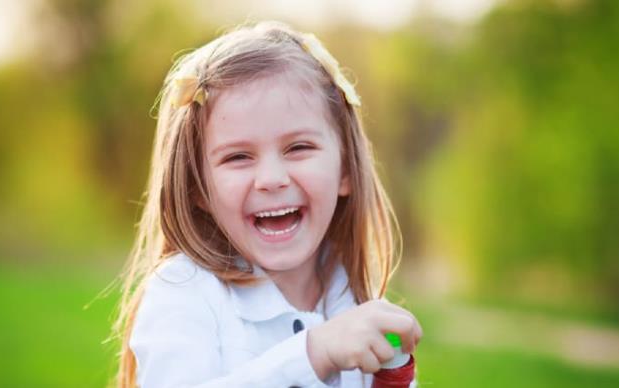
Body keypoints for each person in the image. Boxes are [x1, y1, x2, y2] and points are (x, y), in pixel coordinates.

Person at [111, 20, 422, 388]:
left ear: (346, 170)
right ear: (197, 188)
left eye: (299, 148)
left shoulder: (355, 300)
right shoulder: (184, 293)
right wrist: (312, 355)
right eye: (238, 157)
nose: (272, 178)